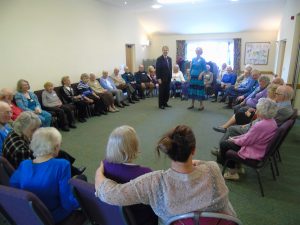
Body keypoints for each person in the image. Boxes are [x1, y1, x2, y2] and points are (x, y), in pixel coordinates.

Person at [95, 125, 236, 225]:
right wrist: (198, 164)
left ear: (167, 152)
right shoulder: (213, 168)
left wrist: (99, 172)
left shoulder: (153, 181)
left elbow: (109, 194)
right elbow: (204, 165)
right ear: (193, 150)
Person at [10, 127, 81, 223]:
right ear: (56, 147)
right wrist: (81, 202)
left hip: (32, 214)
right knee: (81, 180)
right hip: (52, 215)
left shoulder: (24, 164)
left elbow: (13, 185)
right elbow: (67, 203)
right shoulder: (62, 165)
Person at [211, 85, 294, 156]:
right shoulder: (283, 105)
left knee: (232, 129)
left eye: (277, 94)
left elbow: (264, 120)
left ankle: (221, 150)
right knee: (239, 116)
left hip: (260, 134)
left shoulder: (283, 109)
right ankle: (223, 147)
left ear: (283, 96)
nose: (275, 95)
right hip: (262, 130)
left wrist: (249, 125)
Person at [103, 125, 158, 225]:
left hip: (113, 217)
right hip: (140, 219)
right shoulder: (145, 173)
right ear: (134, 146)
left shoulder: (104, 165)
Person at [2, 111, 85, 176]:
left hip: (26, 159)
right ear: (23, 127)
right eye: (33, 129)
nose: (36, 131)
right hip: (26, 172)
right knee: (58, 157)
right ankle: (70, 174)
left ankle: (73, 171)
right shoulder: (20, 149)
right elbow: (31, 169)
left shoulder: (15, 131)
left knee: (59, 152)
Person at [216, 98, 278, 180]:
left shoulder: (260, 125)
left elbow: (246, 141)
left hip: (254, 151)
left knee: (224, 144)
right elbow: (249, 136)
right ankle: (238, 167)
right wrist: (236, 138)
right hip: (260, 148)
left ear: (263, 112)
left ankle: (232, 172)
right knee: (229, 142)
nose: (256, 111)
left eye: (257, 109)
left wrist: (234, 140)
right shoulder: (272, 121)